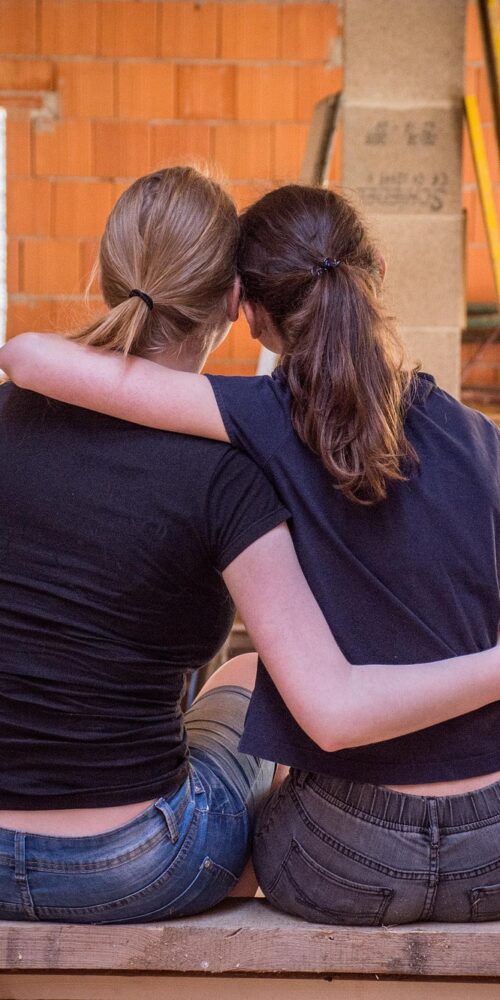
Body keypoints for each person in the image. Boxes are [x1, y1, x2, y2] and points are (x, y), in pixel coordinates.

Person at [2, 180, 499, 927]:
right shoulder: (474, 440)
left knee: (256, 694)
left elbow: (27, 356)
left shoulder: (258, 420)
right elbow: (332, 705)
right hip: (145, 863)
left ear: (249, 309)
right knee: (250, 680)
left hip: (341, 854)